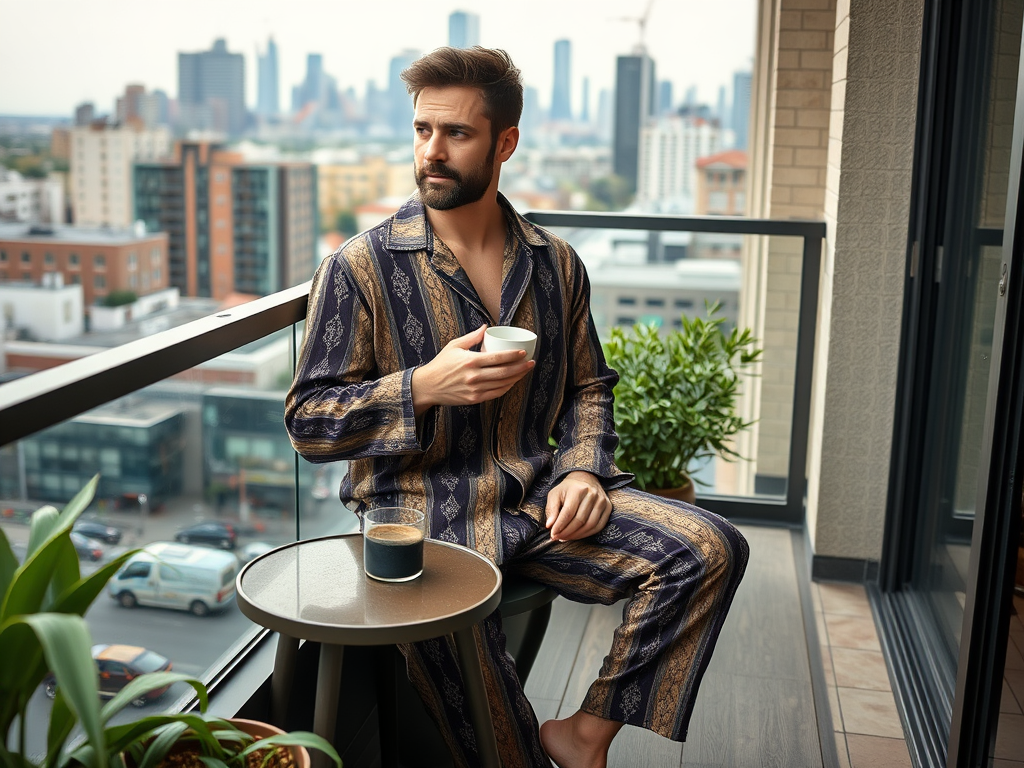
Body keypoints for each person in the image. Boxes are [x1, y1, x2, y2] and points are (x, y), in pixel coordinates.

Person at [285, 46, 748, 768]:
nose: (431, 152)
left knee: (711, 550)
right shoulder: (359, 267)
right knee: (493, 731)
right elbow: (309, 422)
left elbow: (589, 386)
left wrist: (584, 472)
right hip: (422, 519)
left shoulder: (557, 262)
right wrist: (424, 386)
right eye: (421, 130)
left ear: (505, 142)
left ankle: (584, 735)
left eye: (456, 134)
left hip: (542, 500)